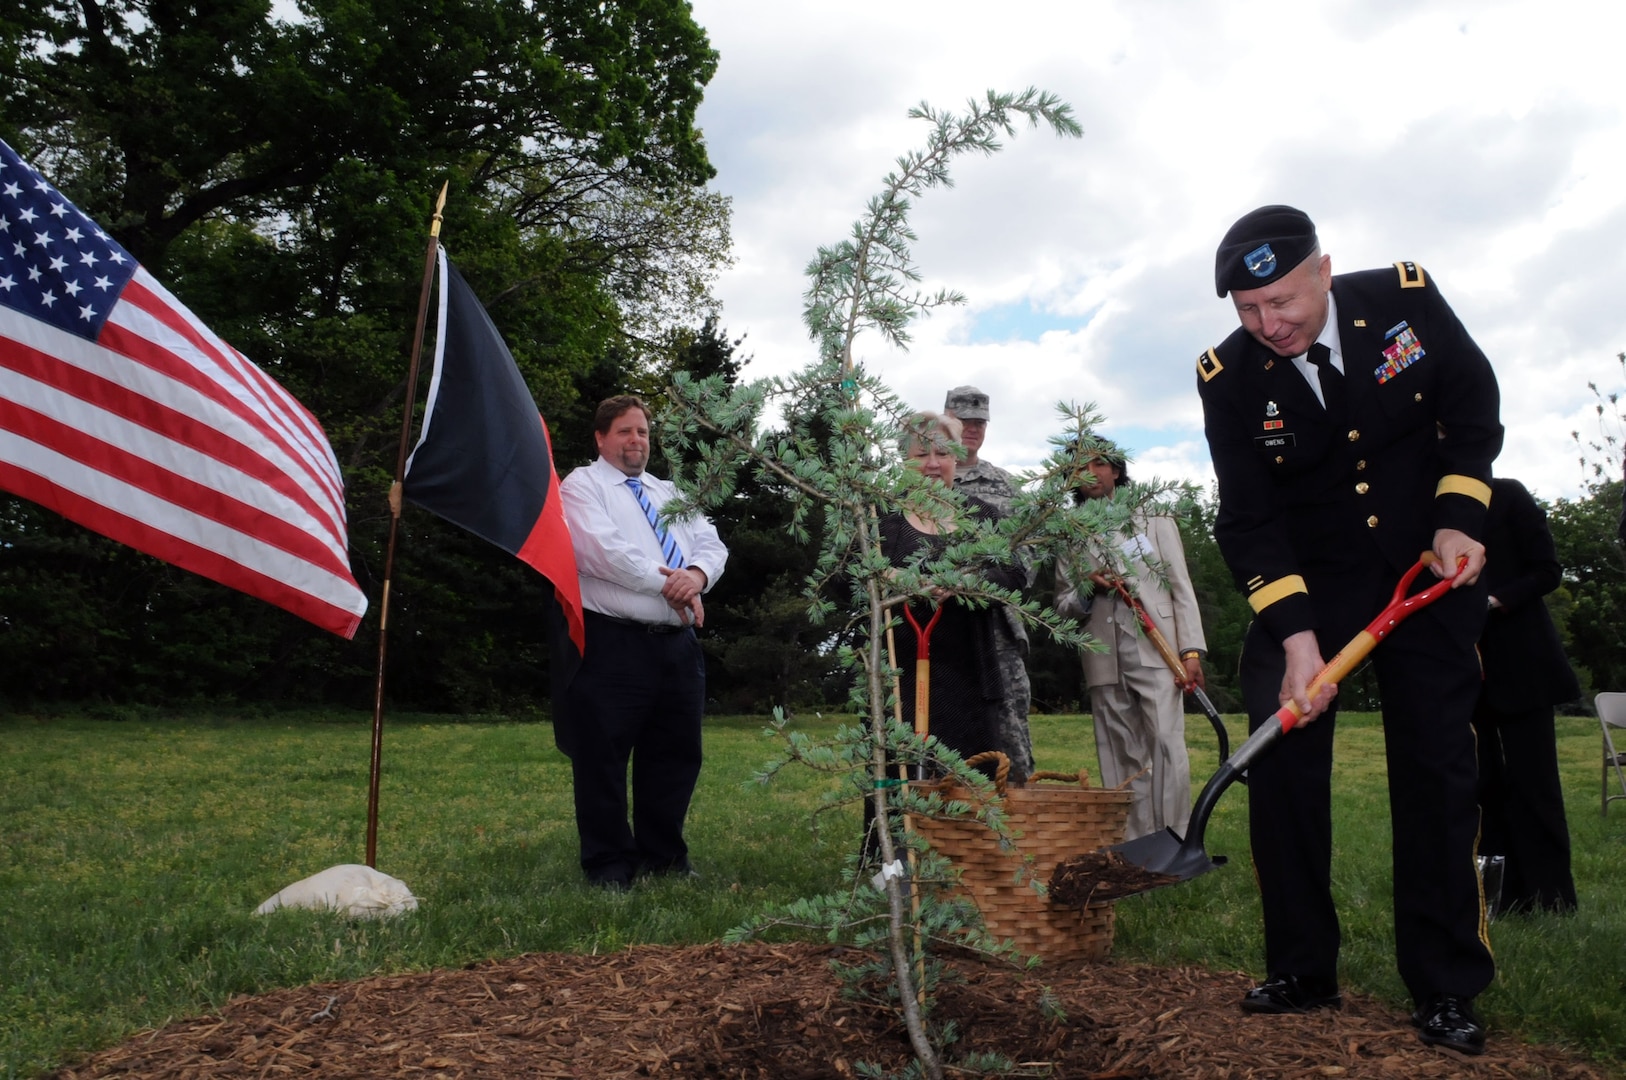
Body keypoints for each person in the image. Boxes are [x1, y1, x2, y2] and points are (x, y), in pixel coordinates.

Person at [1196, 205, 1500, 1054]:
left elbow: (1473, 410)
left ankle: (1445, 987)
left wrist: (1458, 517)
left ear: (1324, 271)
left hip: (1423, 570)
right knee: (1283, 760)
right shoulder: (1227, 376)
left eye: (1283, 301)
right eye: (1248, 310)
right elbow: (1248, 518)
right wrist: (1296, 638)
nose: (1269, 325)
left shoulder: (1405, 302)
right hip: (1311, 586)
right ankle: (1302, 969)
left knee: (1436, 770)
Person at [557, 395, 729, 890]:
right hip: (614, 643)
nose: (637, 441)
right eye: (625, 431)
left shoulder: (669, 491)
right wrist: (671, 584)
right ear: (601, 438)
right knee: (603, 757)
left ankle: (664, 856)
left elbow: (712, 544)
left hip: (676, 648)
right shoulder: (582, 486)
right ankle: (609, 865)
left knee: (675, 756)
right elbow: (604, 552)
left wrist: (695, 575)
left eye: (643, 432)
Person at [1053, 441, 1207, 841]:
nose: (1091, 472)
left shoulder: (1153, 517)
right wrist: (1088, 587)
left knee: (1167, 747)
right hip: (1103, 656)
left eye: (1099, 463)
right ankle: (1134, 847)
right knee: (1120, 752)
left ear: (1116, 470)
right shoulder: (1069, 534)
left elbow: (1180, 586)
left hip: (1159, 650)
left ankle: (1175, 841)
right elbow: (1063, 605)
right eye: (1080, 467)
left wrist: (1191, 650)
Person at [882, 411, 1028, 774]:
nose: (933, 464)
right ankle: (897, 834)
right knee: (898, 783)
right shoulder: (880, 518)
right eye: (920, 455)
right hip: (897, 677)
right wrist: (887, 576)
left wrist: (965, 583)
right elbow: (843, 578)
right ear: (904, 460)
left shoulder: (982, 516)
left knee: (967, 786)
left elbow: (1013, 572)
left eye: (943, 454)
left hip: (969, 676)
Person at [1472, 477, 1579, 915]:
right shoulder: (1428, 510)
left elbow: (1547, 570)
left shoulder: (1508, 495)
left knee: (1535, 784)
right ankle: (1499, 898)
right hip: (1464, 670)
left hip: (1524, 663)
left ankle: (1552, 899)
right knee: (1481, 786)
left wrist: (1494, 599)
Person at [943, 385, 1035, 782]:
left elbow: (1027, 562)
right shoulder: (920, 479)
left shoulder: (1005, 486)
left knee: (1009, 734)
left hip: (996, 626)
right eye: (963, 420)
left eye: (979, 422)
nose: (972, 429)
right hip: (938, 628)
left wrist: (973, 582)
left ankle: (1017, 827)